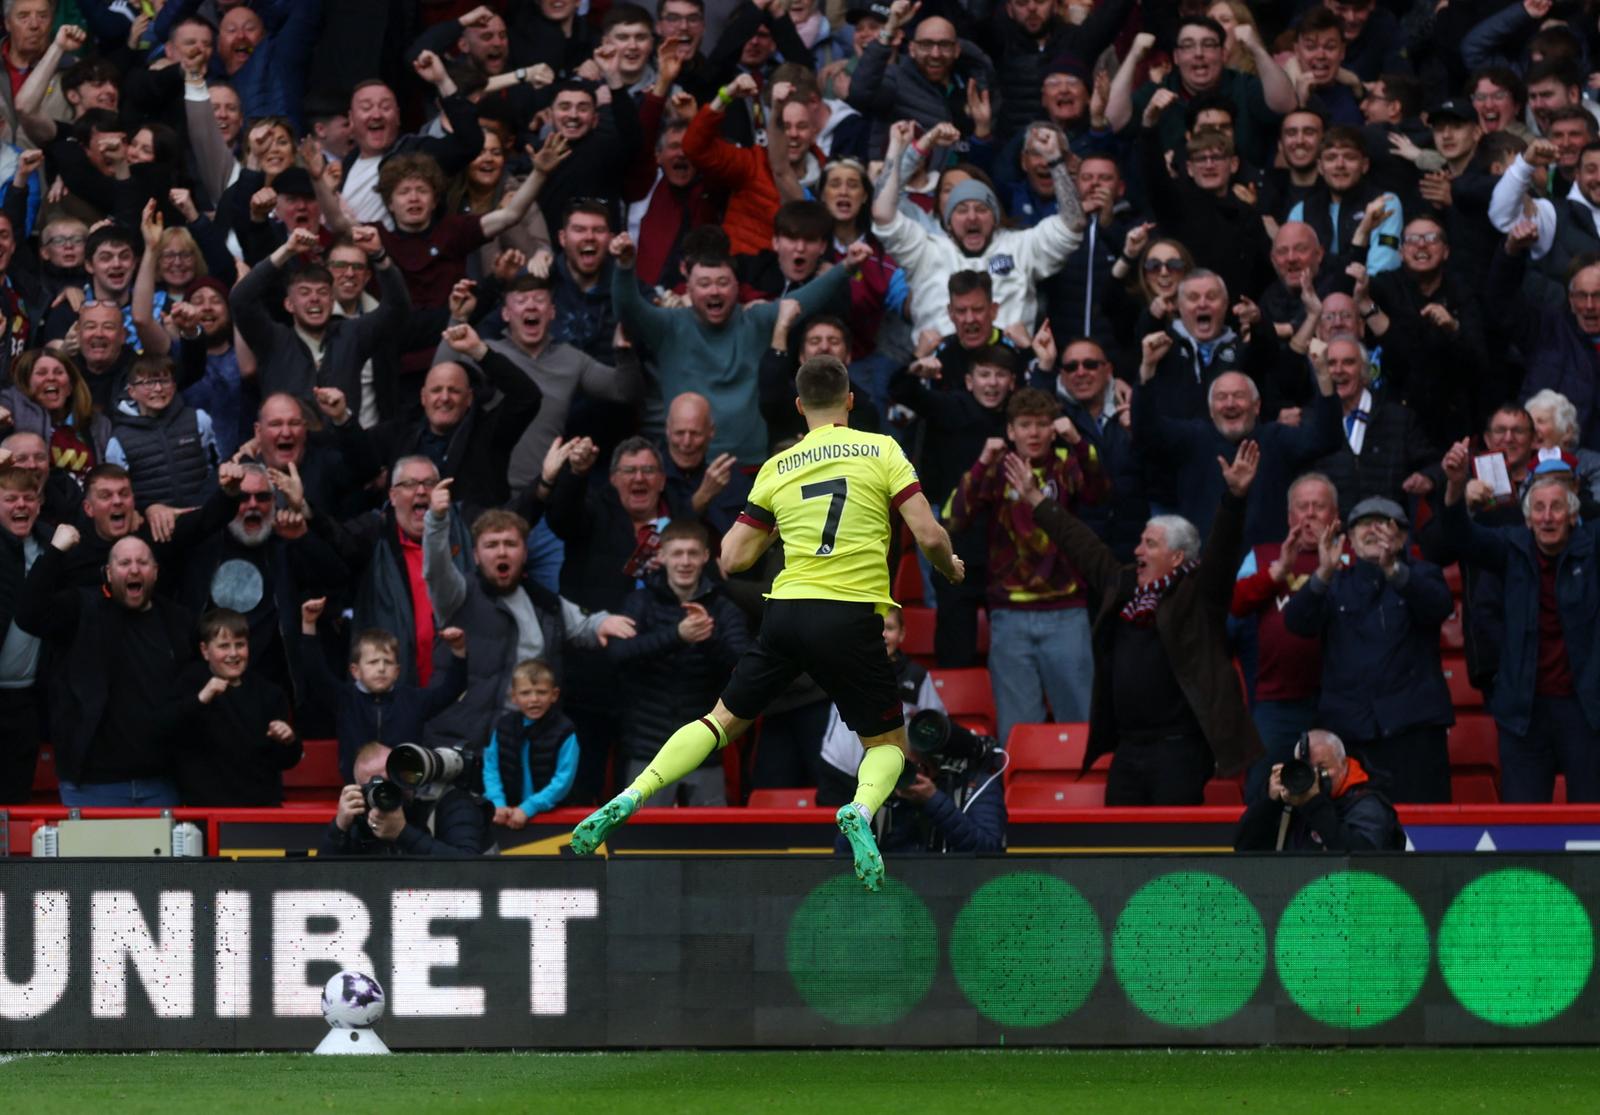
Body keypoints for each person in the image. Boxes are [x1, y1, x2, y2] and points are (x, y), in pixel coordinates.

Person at [569, 356, 965, 891]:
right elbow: (930, 535)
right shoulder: (883, 450)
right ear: (849, 400)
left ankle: (632, 794)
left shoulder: (778, 467)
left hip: (786, 613)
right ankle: (860, 812)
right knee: (888, 745)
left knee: (719, 722)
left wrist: (780, 529)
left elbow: (730, 558)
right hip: (850, 616)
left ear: (800, 408)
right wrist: (952, 569)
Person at [1006, 442, 1266, 805]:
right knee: (1118, 849)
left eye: (1150, 544)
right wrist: (1037, 500)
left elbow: (1222, 550)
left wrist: (1234, 498)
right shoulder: (1124, 586)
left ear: (1177, 557)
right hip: (1128, 751)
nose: (1138, 551)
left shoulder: (1199, 594)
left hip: (1179, 751)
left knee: (1171, 853)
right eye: (1141, 542)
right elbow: (1084, 546)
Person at [1440, 441, 1600, 802]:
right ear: (1526, 518)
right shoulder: (1511, 547)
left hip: (1587, 709)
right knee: (1523, 823)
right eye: (1538, 509)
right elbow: (1458, 537)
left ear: (1573, 514)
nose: (1547, 517)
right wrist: (1454, 487)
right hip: (1522, 710)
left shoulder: (1593, 546)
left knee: (1593, 821)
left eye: (1557, 507)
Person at [950, 387, 1103, 742]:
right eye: (1025, 425)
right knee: (1018, 730)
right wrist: (982, 462)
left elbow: (1101, 492)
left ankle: (1083, 797)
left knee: (1080, 723)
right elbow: (953, 519)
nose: (1033, 433)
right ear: (1010, 430)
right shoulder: (996, 468)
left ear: (1054, 428)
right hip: (1009, 614)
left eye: (1042, 424)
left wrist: (1079, 442)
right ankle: (1019, 798)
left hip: (1067, 610)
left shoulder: (1067, 462)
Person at [1283, 496, 1455, 802]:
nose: (1374, 530)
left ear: (1402, 537)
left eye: (1385, 524)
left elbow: (1437, 606)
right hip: (1351, 732)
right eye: (1364, 524)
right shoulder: (1333, 582)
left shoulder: (1424, 574)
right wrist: (1322, 573)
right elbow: (1297, 623)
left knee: (1424, 831)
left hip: (1413, 732)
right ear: (1349, 538)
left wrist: (1393, 570)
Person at [606, 518, 752, 806]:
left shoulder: (724, 606)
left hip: (705, 748)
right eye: (677, 553)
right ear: (661, 556)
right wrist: (677, 635)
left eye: (693, 553)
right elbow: (617, 654)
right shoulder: (640, 601)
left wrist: (707, 637)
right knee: (644, 843)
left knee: (710, 842)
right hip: (647, 748)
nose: (685, 562)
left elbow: (744, 664)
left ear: (706, 557)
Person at [299, 598, 469, 785]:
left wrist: (458, 650)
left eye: (387, 662)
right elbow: (315, 674)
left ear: (397, 671)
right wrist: (309, 624)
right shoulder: (345, 699)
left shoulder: (413, 700)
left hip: (406, 790)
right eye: (372, 662)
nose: (381, 668)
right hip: (357, 788)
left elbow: (451, 690)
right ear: (355, 671)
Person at [173, 608, 301, 806]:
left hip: (259, 811)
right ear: (205, 650)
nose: (233, 654)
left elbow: (285, 761)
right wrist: (200, 699)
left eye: (240, 645)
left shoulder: (269, 693)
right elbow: (163, 729)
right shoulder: (189, 684)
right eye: (224, 646)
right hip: (206, 811)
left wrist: (289, 740)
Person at [1233, 729, 1404, 850]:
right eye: (1306, 768)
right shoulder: (1291, 801)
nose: (1314, 775)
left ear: (1344, 764)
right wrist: (1269, 801)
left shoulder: (1366, 804)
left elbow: (1359, 861)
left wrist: (1314, 803)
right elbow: (1244, 847)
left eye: (1322, 767)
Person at [320, 741, 493, 857]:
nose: (386, 792)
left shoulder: (451, 803)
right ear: (360, 792)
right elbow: (319, 882)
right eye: (374, 787)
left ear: (407, 775)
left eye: (392, 780)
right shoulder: (363, 817)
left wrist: (402, 833)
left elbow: (471, 868)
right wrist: (339, 828)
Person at [0, 459, 49, 802]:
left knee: (15, 798)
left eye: (28, 498)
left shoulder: (54, 546)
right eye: (11, 498)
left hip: (28, 699)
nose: (21, 505)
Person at [483, 658, 579, 827]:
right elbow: (491, 768)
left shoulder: (565, 731)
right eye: (525, 693)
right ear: (514, 697)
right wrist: (497, 803)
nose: (534, 699)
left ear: (554, 695)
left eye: (541, 692)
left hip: (551, 817)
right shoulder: (503, 726)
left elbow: (563, 780)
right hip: (505, 814)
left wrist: (528, 808)